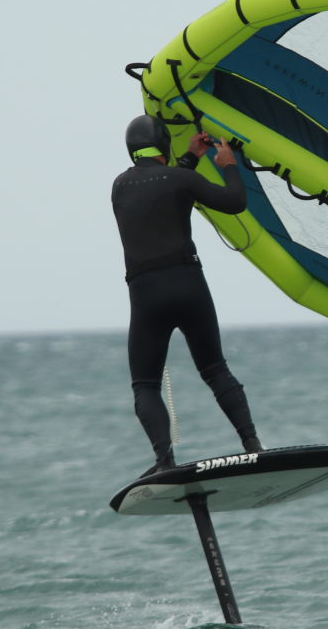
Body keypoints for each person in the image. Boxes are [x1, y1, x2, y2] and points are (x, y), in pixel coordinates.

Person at [112, 114, 262, 477]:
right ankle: (253, 445)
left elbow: (162, 190)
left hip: (146, 295)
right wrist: (228, 166)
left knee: (145, 386)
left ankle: (164, 460)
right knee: (215, 370)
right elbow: (234, 201)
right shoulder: (182, 179)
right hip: (188, 285)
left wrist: (190, 158)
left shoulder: (119, 187)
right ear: (164, 145)